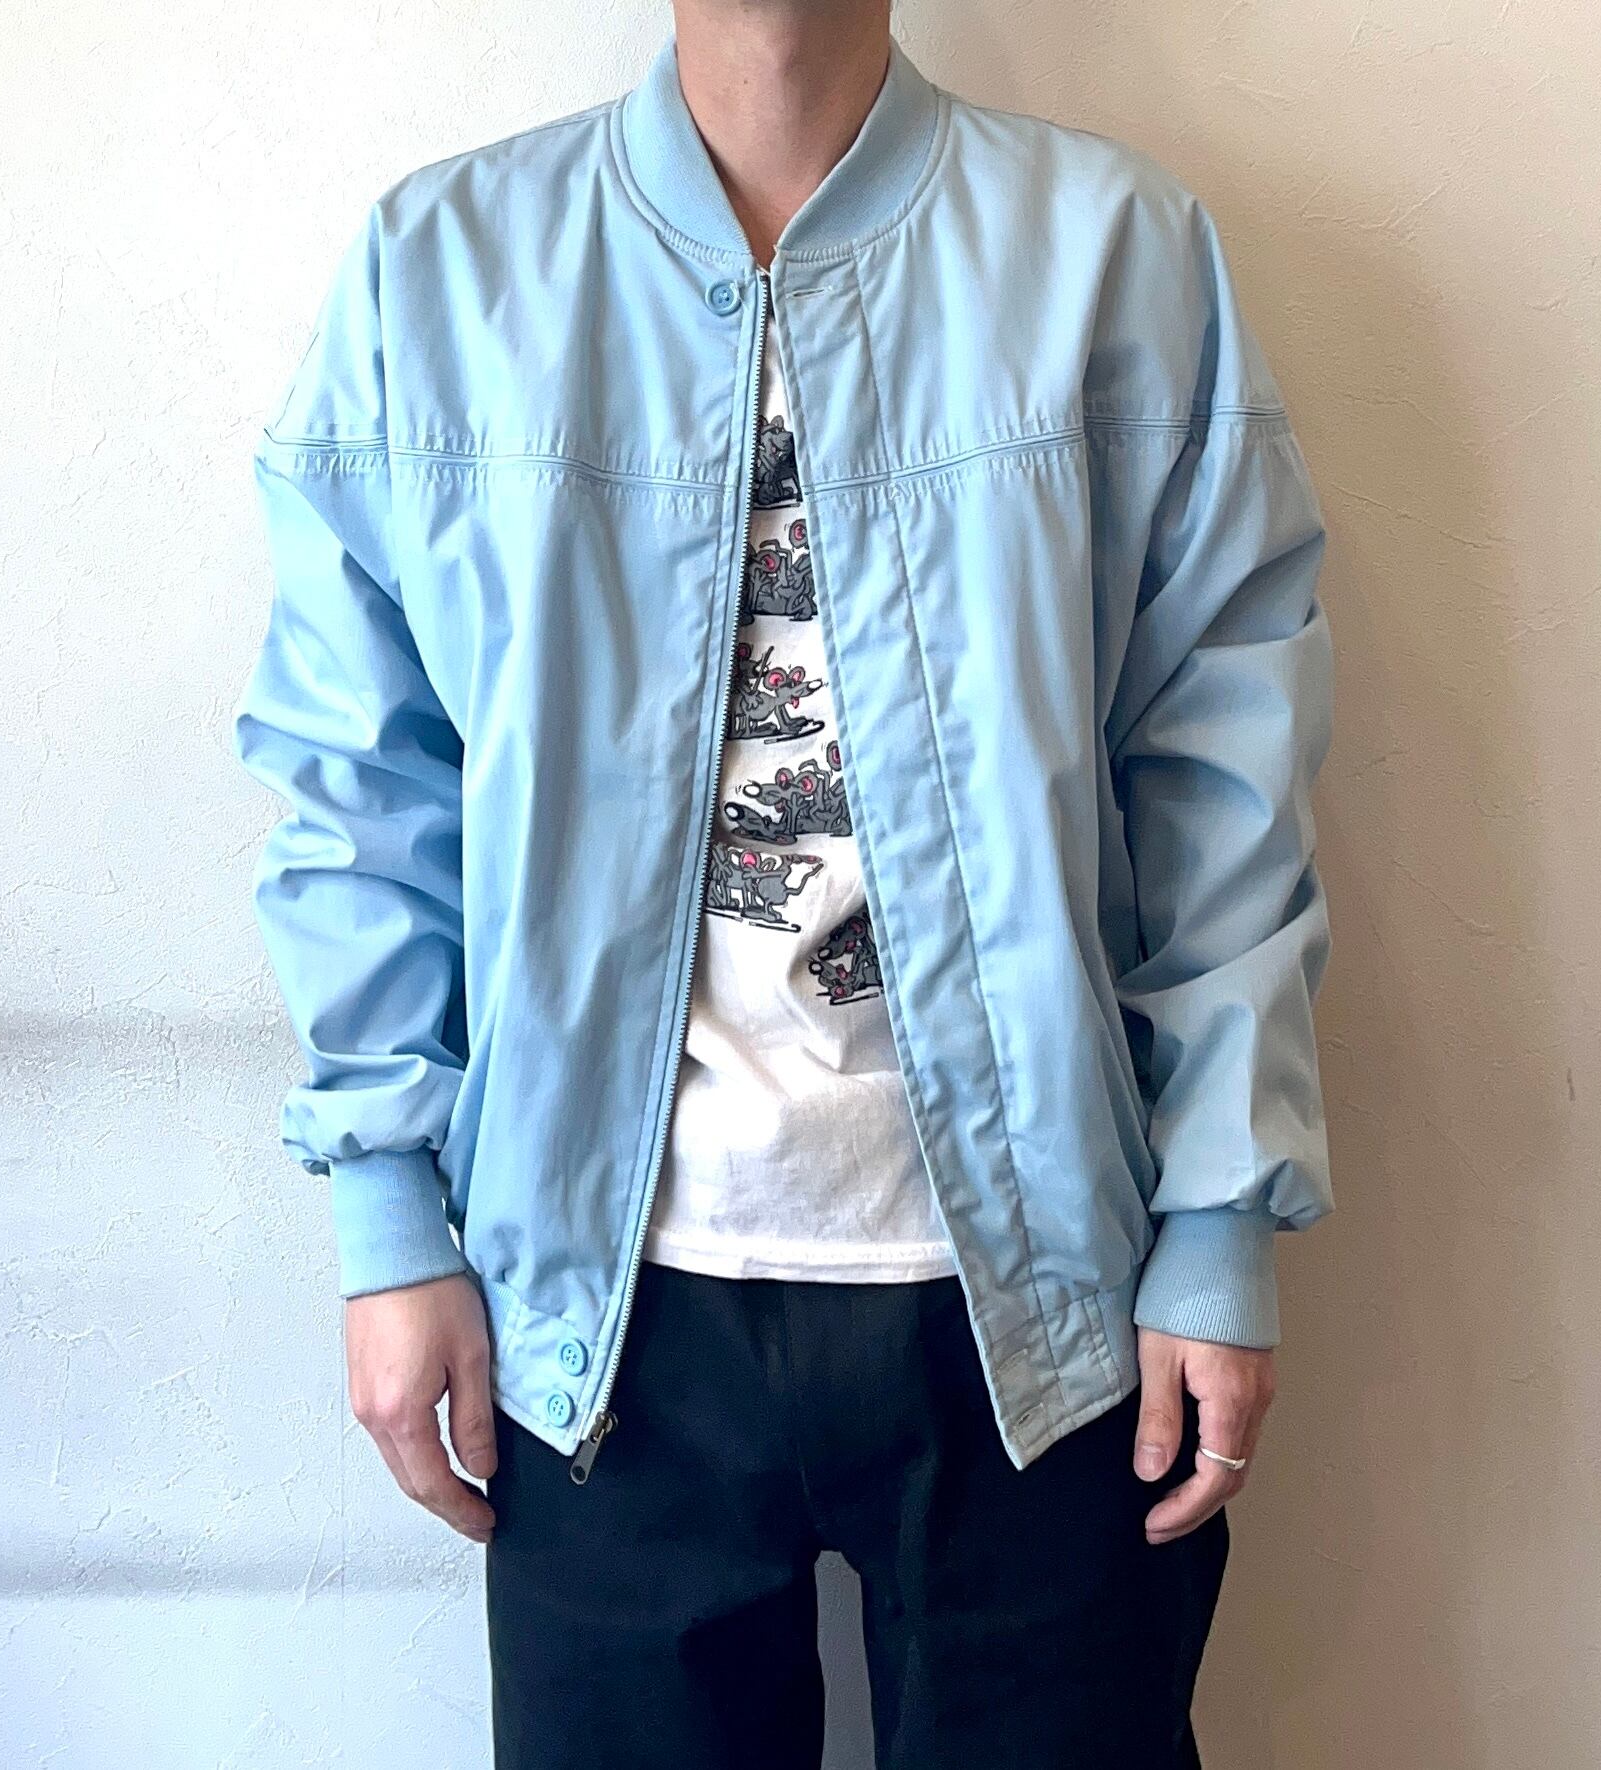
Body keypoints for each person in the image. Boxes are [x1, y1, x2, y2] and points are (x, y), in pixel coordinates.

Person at [231, 2, 1336, 1764]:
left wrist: (1218, 1215)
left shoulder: (1113, 253)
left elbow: (1224, 769)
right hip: (592, 1319)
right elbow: (357, 782)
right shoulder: (436, 273)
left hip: (1046, 1310)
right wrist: (385, 1214)